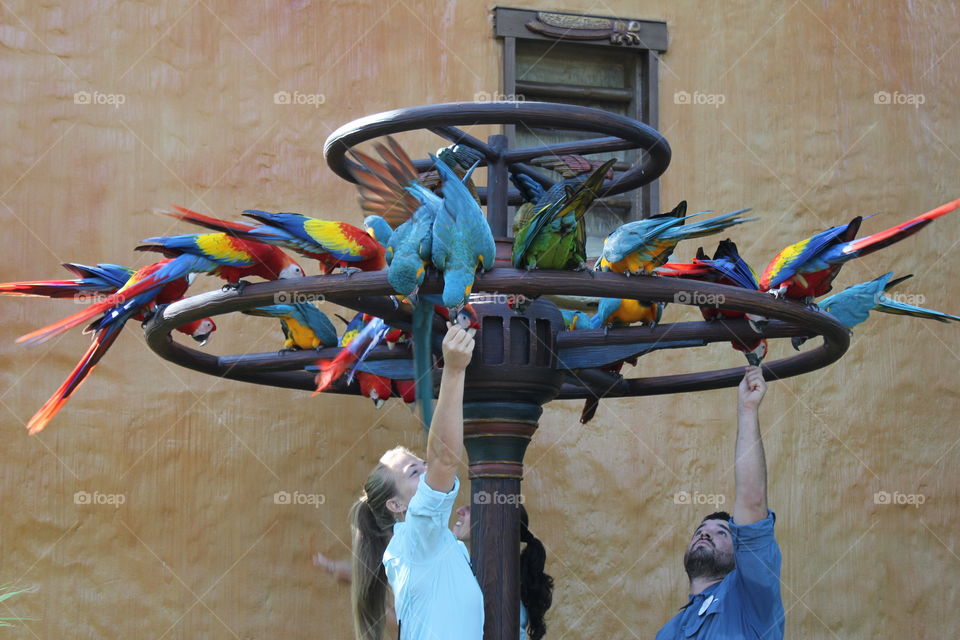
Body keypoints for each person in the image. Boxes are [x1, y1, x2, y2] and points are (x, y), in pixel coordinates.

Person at [349, 323, 483, 640]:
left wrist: (457, 541)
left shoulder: (422, 542)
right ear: (397, 505)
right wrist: (453, 369)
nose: (426, 470)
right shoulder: (414, 539)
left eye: (421, 465)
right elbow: (445, 458)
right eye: (413, 472)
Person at [655, 366, 785, 639]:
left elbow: (753, 501)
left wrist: (747, 410)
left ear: (741, 552)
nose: (705, 533)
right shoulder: (668, 632)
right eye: (701, 531)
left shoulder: (750, 598)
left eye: (722, 532)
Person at [319, 501, 554, 639]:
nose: (460, 510)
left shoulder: (492, 581)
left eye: (471, 508)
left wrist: (364, 584)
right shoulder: (481, 572)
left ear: (494, 526)